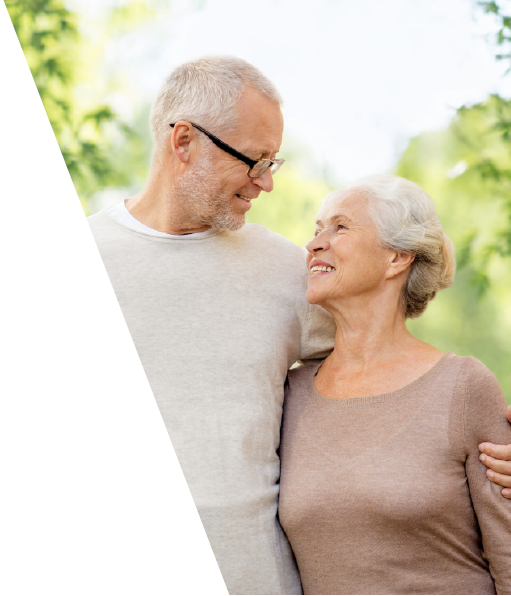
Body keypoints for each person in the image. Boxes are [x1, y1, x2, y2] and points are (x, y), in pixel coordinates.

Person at [88, 57, 511, 594]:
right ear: (184, 142)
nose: (266, 183)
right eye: (254, 160)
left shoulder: (290, 274)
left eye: (275, 162)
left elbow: (403, 368)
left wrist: (491, 433)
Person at [279, 175, 511, 595]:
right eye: (316, 229)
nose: (314, 244)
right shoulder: (288, 393)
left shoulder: (463, 387)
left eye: (340, 226)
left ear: (397, 258)